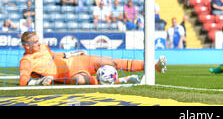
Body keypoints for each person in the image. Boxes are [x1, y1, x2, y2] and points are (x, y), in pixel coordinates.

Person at [19, 31, 167, 86]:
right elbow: (23, 80)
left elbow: (56, 56)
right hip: (69, 75)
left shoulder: (44, 47)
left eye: (39, 41)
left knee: (112, 62)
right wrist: (39, 82)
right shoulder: (26, 61)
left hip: (79, 61)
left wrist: (74, 53)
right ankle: (123, 80)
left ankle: (154, 65)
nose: (39, 43)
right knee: (80, 81)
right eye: (36, 42)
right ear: (27, 46)